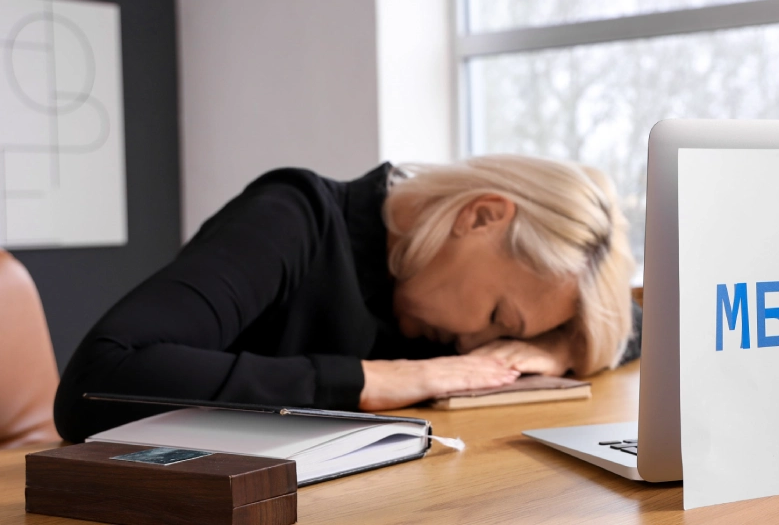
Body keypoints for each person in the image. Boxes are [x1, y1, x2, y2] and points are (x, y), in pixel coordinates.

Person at [54, 156, 640, 443]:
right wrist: (372, 380)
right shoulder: (293, 220)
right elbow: (95, 382)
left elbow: (635, 322)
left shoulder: (435, 295)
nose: (475, 346)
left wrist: (556, 346)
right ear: (481, 216)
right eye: (498, 318)